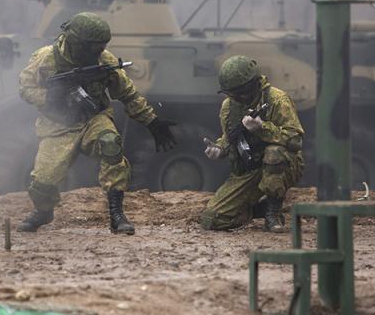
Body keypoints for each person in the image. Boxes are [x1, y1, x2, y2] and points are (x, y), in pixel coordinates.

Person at [17, 12, 176, 235]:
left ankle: (117, 215)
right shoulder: (45, 59)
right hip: (58, 125)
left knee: (111, 144)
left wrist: (152, 122)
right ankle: (43, 211)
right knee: (42, 181)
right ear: (76, 43)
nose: (98, 52)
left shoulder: (104, 61)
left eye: (101, 46)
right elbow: (25, 88)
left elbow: (128, 94)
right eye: (93, 47)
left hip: (94, 119)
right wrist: (48, 97)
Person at [200, 55, 304, 232]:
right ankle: (257, 209)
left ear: (254, 84)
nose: (238, 98)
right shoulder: (229, 106)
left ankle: (273, 212)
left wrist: (262, 128)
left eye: (242, 93)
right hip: (249, 168)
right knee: (212, 220)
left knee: (274, 153)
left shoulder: (277, 100)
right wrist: (219, 148)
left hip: (282, 164)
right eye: (232, 94)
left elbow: (295, 140)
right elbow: (230, 136)